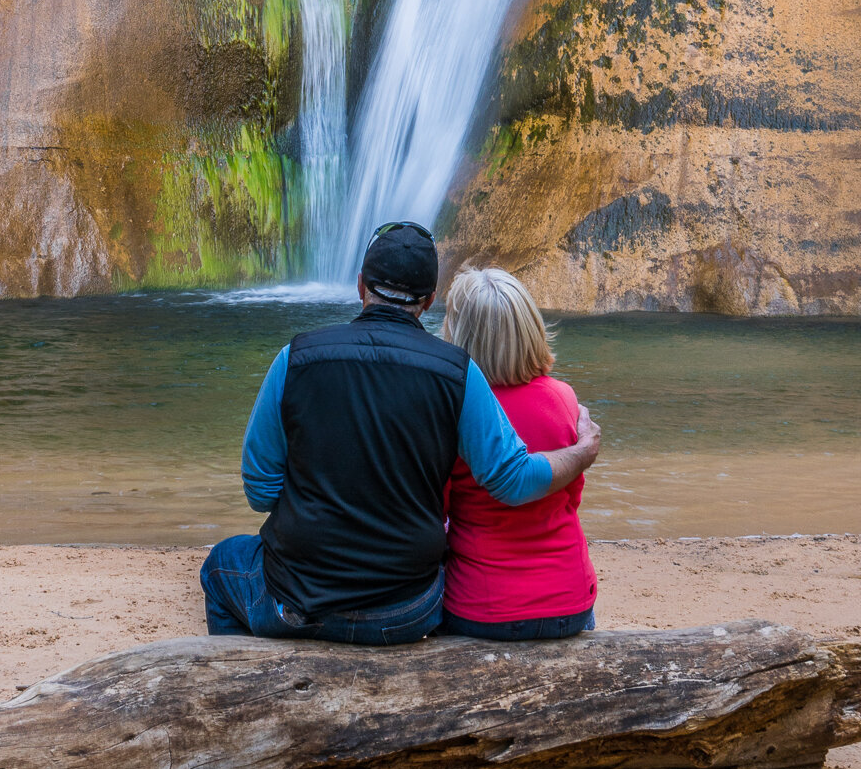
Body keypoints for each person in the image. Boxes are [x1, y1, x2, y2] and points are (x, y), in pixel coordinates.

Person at [200, 222, 600, 645]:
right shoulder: (458, 374)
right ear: (428, 301)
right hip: (408, 611)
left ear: (360, 287)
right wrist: (582, 451)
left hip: (296, 599)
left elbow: (260, 493)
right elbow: (513, 479)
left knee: (220, 565)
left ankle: (244, 677)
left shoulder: (294, 359)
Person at [439, 264, 601, 640]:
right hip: (570, 602)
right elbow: (571, 496)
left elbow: (439, 510)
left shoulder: (452, 408)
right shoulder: (564, 399)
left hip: (481, 606)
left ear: (459, 335)